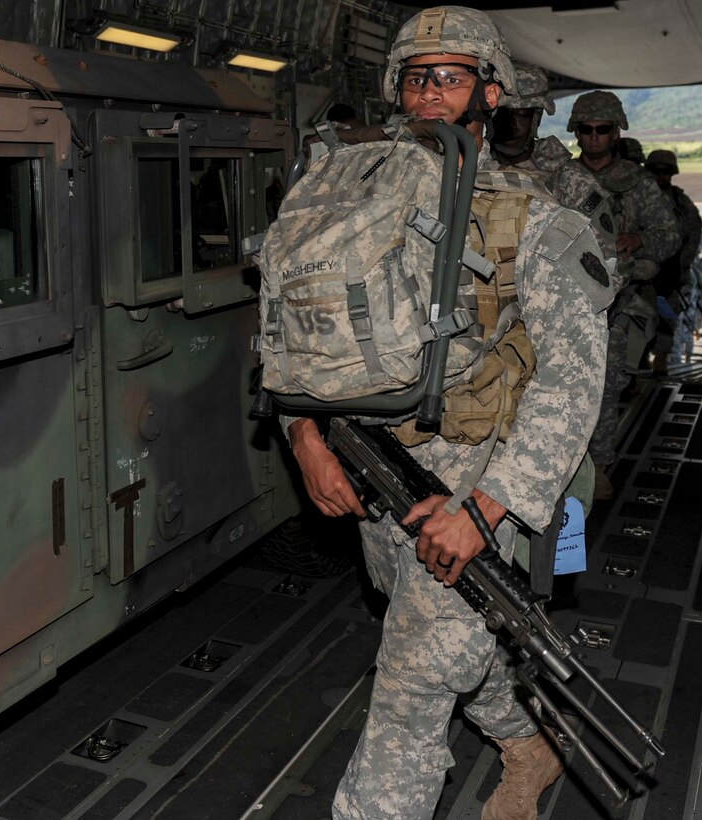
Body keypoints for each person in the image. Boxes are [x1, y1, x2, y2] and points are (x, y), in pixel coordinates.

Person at [281, 7, 612, 819]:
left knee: (413, 681)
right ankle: (529, 743)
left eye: (451, 77)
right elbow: (289, 328)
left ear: (490, 93)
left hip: (477, 476)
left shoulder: (535, 220)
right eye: (415, 77)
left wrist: (485, 509)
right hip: (375, 467)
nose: (429, 92)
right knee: (458, 638)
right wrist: (304, 435)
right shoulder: (344, 198)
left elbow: (570, 385)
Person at [568, 91, 679, 498]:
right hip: (566, 300)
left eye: (602, 129)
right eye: (586, 129)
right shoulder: (563, 178)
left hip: (617, 302)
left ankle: (597, 466)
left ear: (616, 133)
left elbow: (670, 234)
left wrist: (638, 239)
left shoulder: (638, 183)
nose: (594, 137)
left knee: (606, 385)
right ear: (576, 132)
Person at [492, 60, 617, 263]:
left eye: (521, 115)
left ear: (536, 119)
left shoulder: (568, 179)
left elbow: (606, 256)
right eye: (502, 115)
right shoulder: (469, 166)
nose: (511, 125)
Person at [646, 149, 702, 371]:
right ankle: (640, 364)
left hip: (671, 273)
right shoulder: (639, 198)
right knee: (639, 321)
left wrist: (682, 265)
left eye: (666, 171)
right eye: (656, 171)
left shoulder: (680, 202)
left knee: (667, 321)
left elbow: (694, 234)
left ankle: (660, 363)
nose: (661, 176)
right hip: (642, 273)